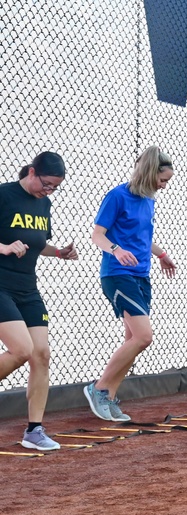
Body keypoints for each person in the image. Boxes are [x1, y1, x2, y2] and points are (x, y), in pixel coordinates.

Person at [85, 146, 176, 422]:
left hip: (141, 274)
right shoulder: (117, 196)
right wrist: (115, 249)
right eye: (162, 180)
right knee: (143, 337)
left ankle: (110, 396)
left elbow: (142, 237)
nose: (164, 186)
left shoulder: (149, 200)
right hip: (117, 273)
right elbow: (97, 235)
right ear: (150, 173)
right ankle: (98, 388)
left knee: (132, 340)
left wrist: (161, 254)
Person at [0, 152, 78, 451]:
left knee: (41, 354)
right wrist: (4, 247)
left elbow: (38, 243)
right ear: (31, 172)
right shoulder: (4, 195)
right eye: (46, 183)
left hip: (27, 289)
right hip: (0, 285)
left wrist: (59, 252)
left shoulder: (44, 204)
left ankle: (34, 431)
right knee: (21, 349)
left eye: (55, 187)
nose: (49, 191)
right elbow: (10, 243)